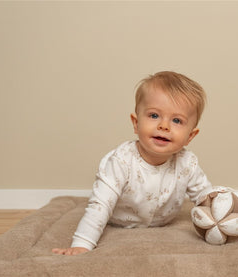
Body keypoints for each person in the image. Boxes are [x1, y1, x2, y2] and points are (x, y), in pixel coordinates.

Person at [52, 71, 213, 255]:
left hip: (163, 222)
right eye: (154, 116)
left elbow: (205, 197)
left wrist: (223, 219)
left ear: (190, 136)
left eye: (177, 120)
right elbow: (100, 204)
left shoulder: (187, 163)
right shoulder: (121, 161)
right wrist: (81, 244)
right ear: (136, 124)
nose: (164, 126)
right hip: (120, 221)